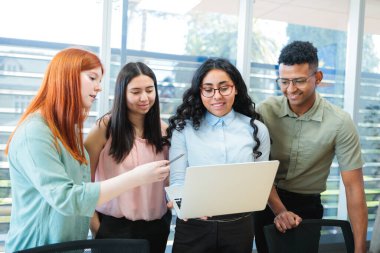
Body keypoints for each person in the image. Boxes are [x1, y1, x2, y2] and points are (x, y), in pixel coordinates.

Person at [4, 48, 169, 253]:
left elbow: (82, 185)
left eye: (100, 81)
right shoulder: (34, 133)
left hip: (69, 246)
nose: (99, 88)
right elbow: (67, 198)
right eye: (93, 78)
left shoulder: (67, 131)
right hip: (38, 247)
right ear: (67, 78)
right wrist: (136, 177)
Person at [253, 41, 368, 253]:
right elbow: (255, 168)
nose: (290, 89)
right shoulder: (264, 112)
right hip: (266, 198)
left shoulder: (339, 122)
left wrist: (360, 249)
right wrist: (280, 210)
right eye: (284, 81)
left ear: (318, 78)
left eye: (298, 81)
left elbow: (354, 189)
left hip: (307, 206)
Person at [166, 58, 271, 253]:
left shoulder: (257, 130)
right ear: (200, 91)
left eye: (224, 88)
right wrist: (182, 203)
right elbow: (178, 179)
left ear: (236, 88)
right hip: (193, 227)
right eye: (208, 89)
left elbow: (259, 184)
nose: (217, 96)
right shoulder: (184, 130)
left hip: (239, 227)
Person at [84, 62, 171, 253]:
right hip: (113, 228)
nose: (144, 98)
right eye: (135, 91)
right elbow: (83, 182)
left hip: (156, 228)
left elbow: (170, 182)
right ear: (122, 93)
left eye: (149, 90)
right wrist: (96, 227)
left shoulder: (164, 130)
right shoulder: (104, 128)